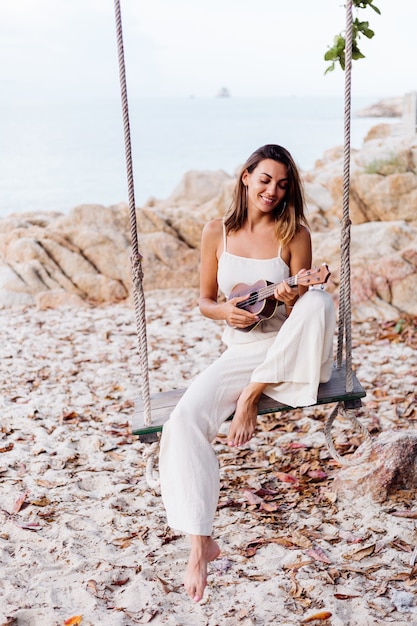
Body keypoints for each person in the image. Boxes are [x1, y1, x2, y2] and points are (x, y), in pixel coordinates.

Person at [159, 144, 336, 603]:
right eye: (264, 180)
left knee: (319, 300)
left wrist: (293, 289)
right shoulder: (215, 232)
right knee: (182, 421)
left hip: (291, 350)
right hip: (242, 350)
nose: (272, 191)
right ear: (245, 178)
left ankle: (252, 395)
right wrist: (226, 314)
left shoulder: (294, 233)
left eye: (281, 184)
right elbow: (203, 301)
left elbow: (301, 308)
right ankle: (200, 544)